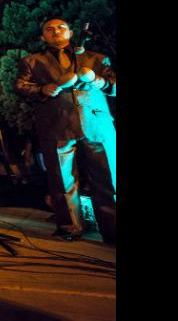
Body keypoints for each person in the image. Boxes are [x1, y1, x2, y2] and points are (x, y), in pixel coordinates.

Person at [15, 17, 116, 244]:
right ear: (43, 37)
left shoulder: (96, 58)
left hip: (96, 124)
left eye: (61, 28)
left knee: (108, 177)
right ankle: (70, 226)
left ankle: (112, 228)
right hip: (55, 124)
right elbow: (21, 86)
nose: (55, 31)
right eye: (49, 30)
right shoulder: (32, 61)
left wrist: (98, 81)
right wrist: (42, 89)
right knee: (62, 179)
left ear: (71, 32)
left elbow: (115, 86)